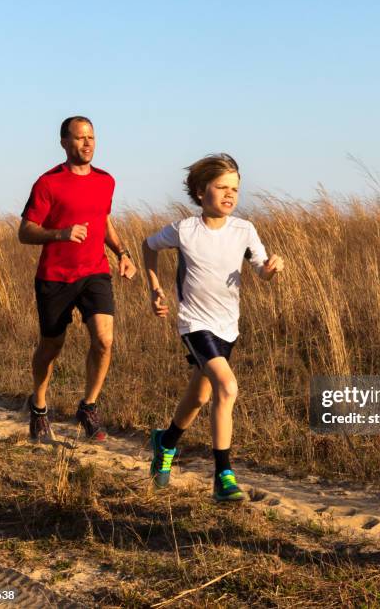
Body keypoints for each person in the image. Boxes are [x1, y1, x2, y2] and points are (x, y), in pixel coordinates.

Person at [142, 153, 284, 501]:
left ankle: (166, 442)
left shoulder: (244, 229)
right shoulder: (184, 230)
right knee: (228, 386)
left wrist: (271, 269)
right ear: (200, 191)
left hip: (227, 327)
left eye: (235, 188)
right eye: (221, 187)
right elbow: (148, 246)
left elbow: (260, 268)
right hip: (195, 323)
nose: (229, 194)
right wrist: (155, 288)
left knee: (200, 395)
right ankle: (223, 475)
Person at [18, 116, 136, 442]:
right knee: (51, 346)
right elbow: (25, 231)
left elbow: (104, 221)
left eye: (91, 137)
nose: (87, 144)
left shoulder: (106, 181)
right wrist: (60, 233)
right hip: (55, 276)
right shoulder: (48, 183)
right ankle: (39, 408)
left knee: (104, 340)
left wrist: (122, 253)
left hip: (95, 272)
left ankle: (88, 406)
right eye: (79, 138)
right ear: (64, 142)